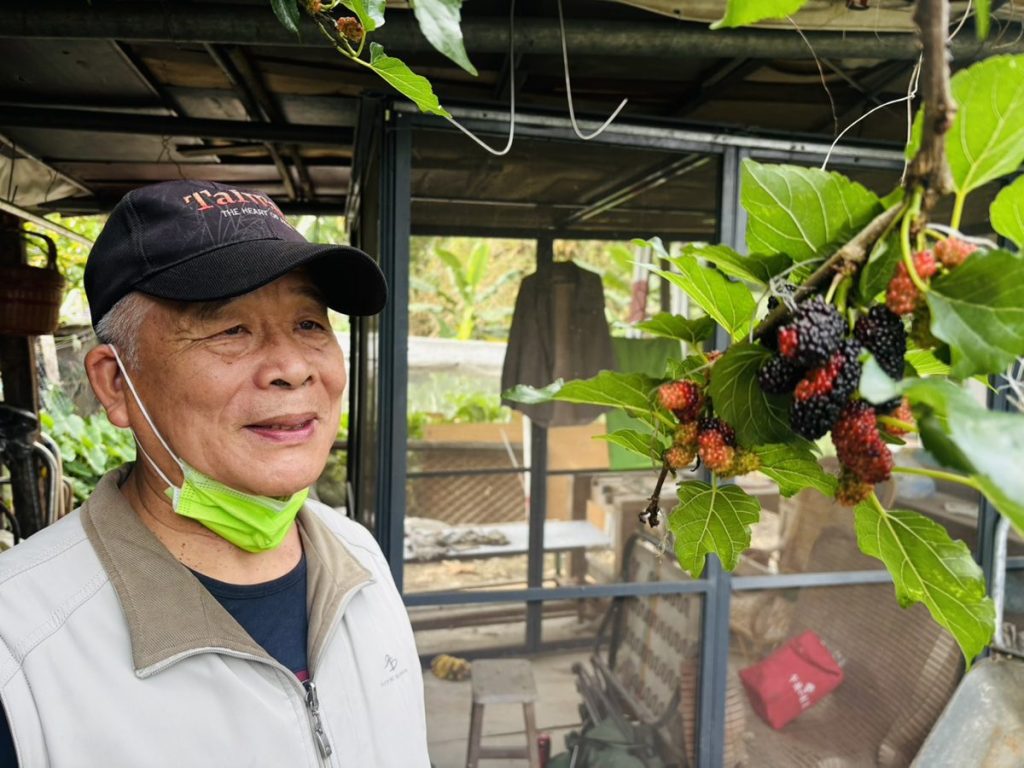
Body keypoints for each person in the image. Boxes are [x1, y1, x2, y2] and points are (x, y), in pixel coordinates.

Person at [0, 181, 430, 767]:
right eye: (231, 329)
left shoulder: (360, 563)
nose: (292, 368)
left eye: (309, 323)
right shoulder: (20, 647)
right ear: (116, 383)